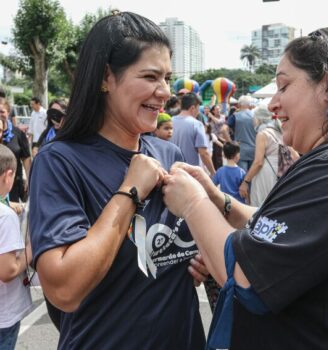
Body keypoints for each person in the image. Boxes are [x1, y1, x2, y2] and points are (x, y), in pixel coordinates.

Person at [163, 27, 328, 350]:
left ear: (326, 84)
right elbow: (276, 224)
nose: (273, 103)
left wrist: (193, 204)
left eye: (284, 86)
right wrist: (217, 198)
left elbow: (246, 281)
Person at [29, 12, 206, 349]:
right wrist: (130, 190)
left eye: (167, 77)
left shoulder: (170, 156)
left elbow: (183, 251)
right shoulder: (60, 161)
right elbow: (64, 289)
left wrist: (200, 261)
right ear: (105, 77)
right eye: (151, 76)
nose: (165, 91)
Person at [0, 144, 33, 350]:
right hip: (4, 315)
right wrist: (34, 247)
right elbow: (7, 270)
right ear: (8, 175)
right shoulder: (5, 217)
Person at [239, 104, 299, 206]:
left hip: (266, 174)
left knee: (261, 205)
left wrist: (245, 181)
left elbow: (258, 162)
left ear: (259, 119)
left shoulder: (262, 134)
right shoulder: (280, 131)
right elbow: (296, 156)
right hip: (282, 173)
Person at [171, 92, 216, 176]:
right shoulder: (196, 124)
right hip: (190, 173)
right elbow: (203, 153)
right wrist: (213, 172)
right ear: (193, 108)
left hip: (171, 170)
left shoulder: (170, 121)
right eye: (198, 108)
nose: (198, 112)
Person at [0, 100, 31, 203]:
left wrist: (29, 179)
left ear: (8, 113)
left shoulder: (18, 134)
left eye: (2, 111)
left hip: (14, 184)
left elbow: (26, 158)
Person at [231, 95, 257, 171]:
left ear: (239, 104)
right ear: (249, 104)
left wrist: (231, 142)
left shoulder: (235, 116)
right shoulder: (255, 116)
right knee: (252, 177)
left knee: (242, 175)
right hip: (254, 149)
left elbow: (223, 129)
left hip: (240, 150)